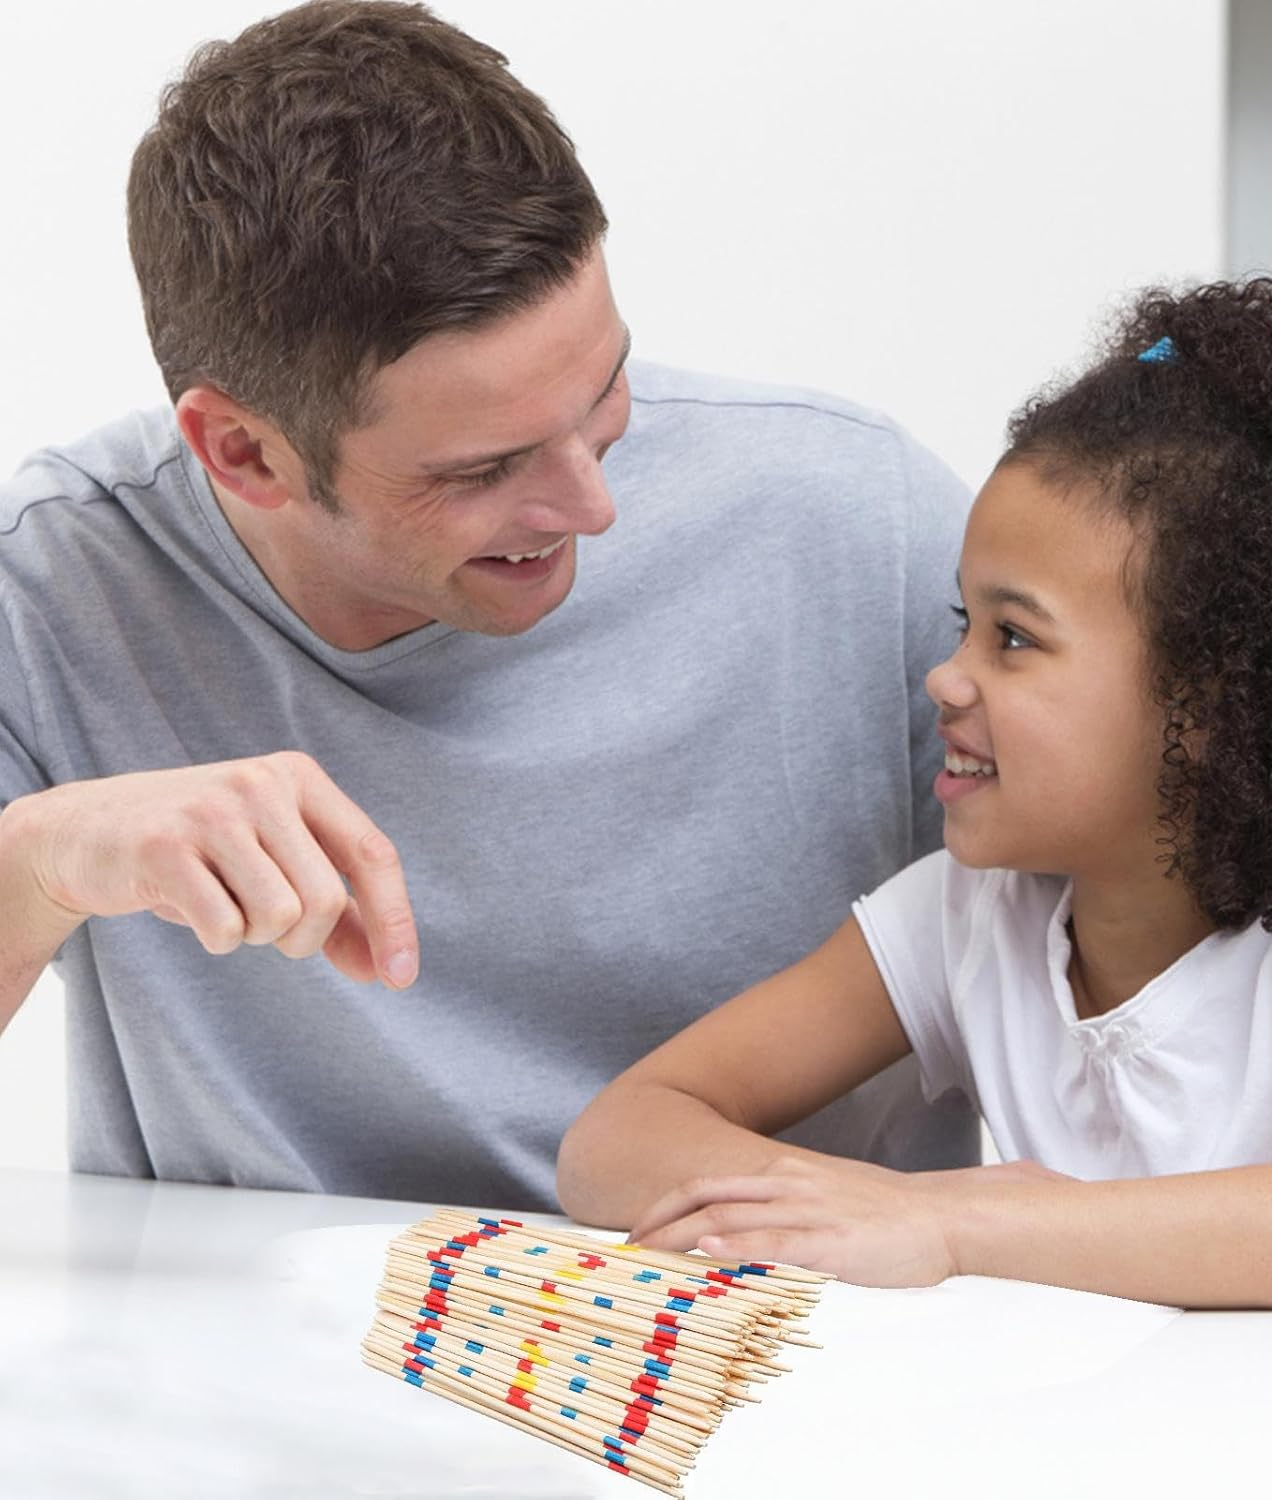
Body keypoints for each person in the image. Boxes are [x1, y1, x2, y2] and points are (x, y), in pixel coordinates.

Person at [0, 0, 977, 1205]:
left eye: (607, 392)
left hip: (779, 1341)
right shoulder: (50, 590)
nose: (590, 506)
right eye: (483, 470)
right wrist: (40, 861)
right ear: (243, 452)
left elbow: (1171, 960)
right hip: (263, 1356)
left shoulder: (862, 521)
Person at [558, 278, 1272, 1307]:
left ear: (1220, 700)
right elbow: (616, 1137)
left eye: (1013, 638)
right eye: (964, 622)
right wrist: (842, 1202)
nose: (946, 677)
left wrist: (944, 1219)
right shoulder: (963, 921)